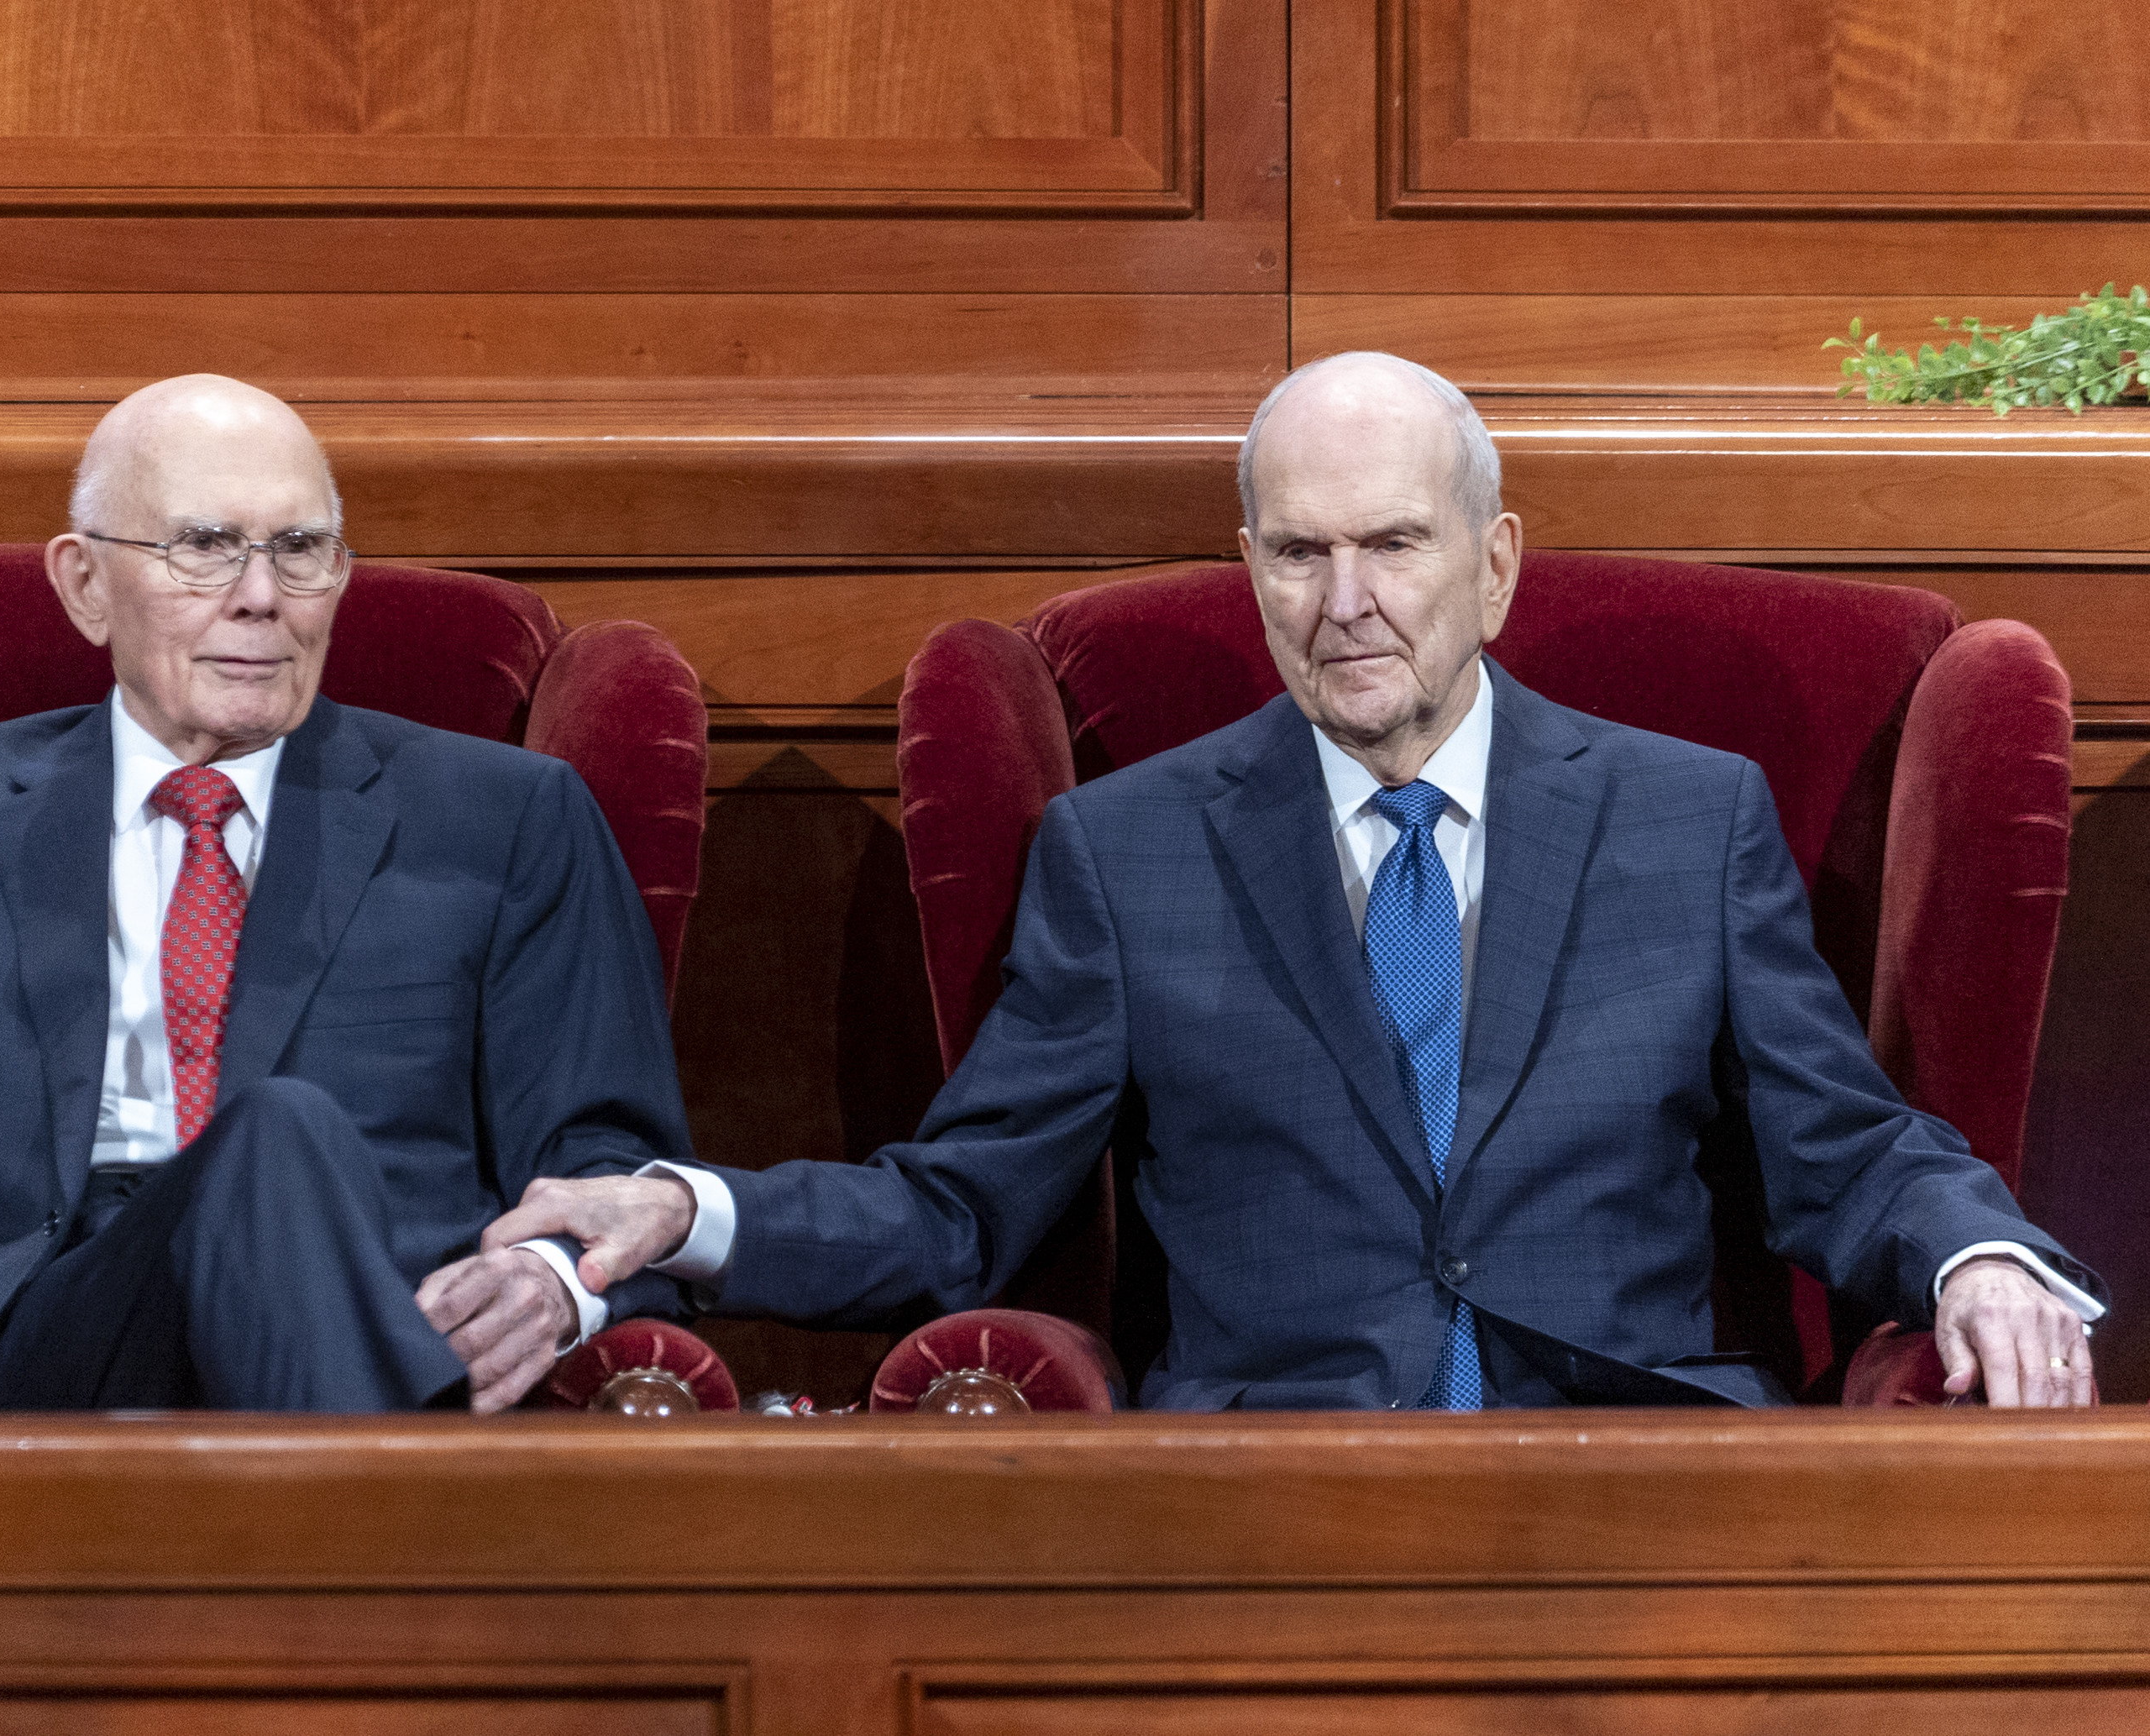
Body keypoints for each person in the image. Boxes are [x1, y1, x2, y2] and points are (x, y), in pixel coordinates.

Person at [486, 352, 2105, 1410]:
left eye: (1394, 545)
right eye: (1296, 552)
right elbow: (961, 1210)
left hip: (1634, 1482)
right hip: (1267, 1504)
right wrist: (677, 1211)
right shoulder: (1127, 857)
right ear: (1251, 565)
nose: (1347, 604)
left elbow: (1847, 1145)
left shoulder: (1689, 822)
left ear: (1495, 566)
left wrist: (1978, 1255)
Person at [0, 374, 693, 1414]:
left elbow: (606, 1155)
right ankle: (384, 1611)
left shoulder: (505, 819)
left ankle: (342, 1583)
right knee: (273, 1134)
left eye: (302, 551)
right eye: (205, 547)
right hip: (29, 1357)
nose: (261, 597)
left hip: (377, 1337)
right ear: (86, 584)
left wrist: (553, 1276)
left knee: (280, 1138)